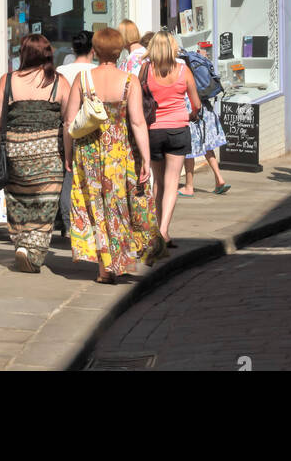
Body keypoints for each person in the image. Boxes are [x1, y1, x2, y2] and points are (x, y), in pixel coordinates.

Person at [63, 26, 159, 283]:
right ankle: (119, 261)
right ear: (119, 51)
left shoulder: (82, 80)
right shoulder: (129, 81)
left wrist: (68, 154)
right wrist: (146, 159)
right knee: (118, 207)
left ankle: (104, 267)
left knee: (95, 207)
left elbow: (69, 122)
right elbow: (138, 123)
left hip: (88, 153)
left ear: (95, 50)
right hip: (120, 153)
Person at [0, 33, 69, 273]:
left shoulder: (7, 81)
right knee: (45, 203)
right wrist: (70, 155)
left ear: (23, 54)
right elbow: (70, 121)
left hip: (15, 151)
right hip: (49, 152)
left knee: (19, 199)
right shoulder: (59, 82)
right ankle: (32, 253)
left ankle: (22, 244)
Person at [142, 31, 201, 248]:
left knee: (158, 181)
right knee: (172, 181)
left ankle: (156, 228)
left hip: (153, 130)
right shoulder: (183, 71)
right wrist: (192, 114)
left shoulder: (145, 70)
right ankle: (164, 230)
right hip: (178, 129)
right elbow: (196, 103)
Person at [56, 30, 96, 235]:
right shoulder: (95, 71)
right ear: (93, 49)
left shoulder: (61, 70)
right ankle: (84, 221)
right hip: (90, 130)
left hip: (65, 128)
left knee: (67, 177)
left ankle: (66, 223)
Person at [178, 44, 229, 196]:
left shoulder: (179, 65)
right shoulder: (190, 58)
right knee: (207, 145)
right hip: (204, 106)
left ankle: (188, 186)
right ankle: (219, 178)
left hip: (191, 108)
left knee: (189, 150)